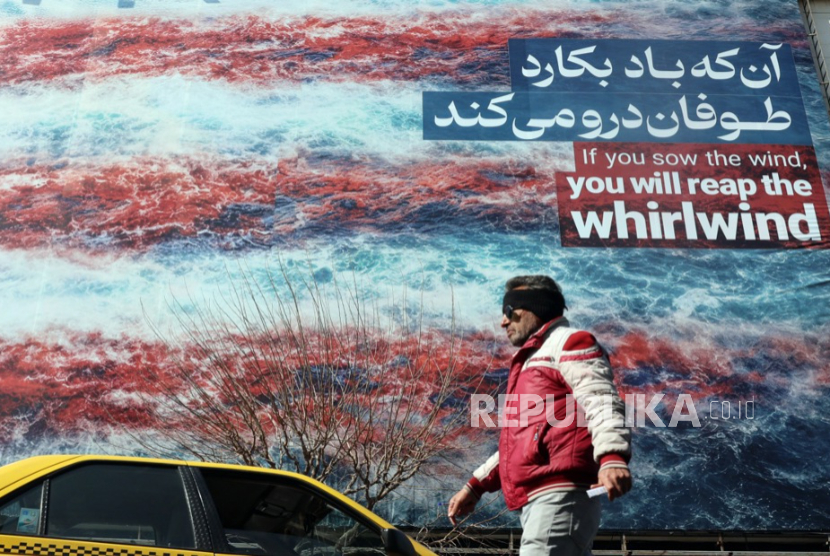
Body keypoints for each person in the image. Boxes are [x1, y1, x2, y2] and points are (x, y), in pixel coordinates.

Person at [447, 275, 631, 556]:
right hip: (546, 502)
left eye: (509, 311)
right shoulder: (534, 358)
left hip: (558, 498)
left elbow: (601, 400)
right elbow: (521, 443)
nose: (503, 322)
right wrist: (476, 486)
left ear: (535, 307)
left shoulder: (570, 342)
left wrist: (612, 457)